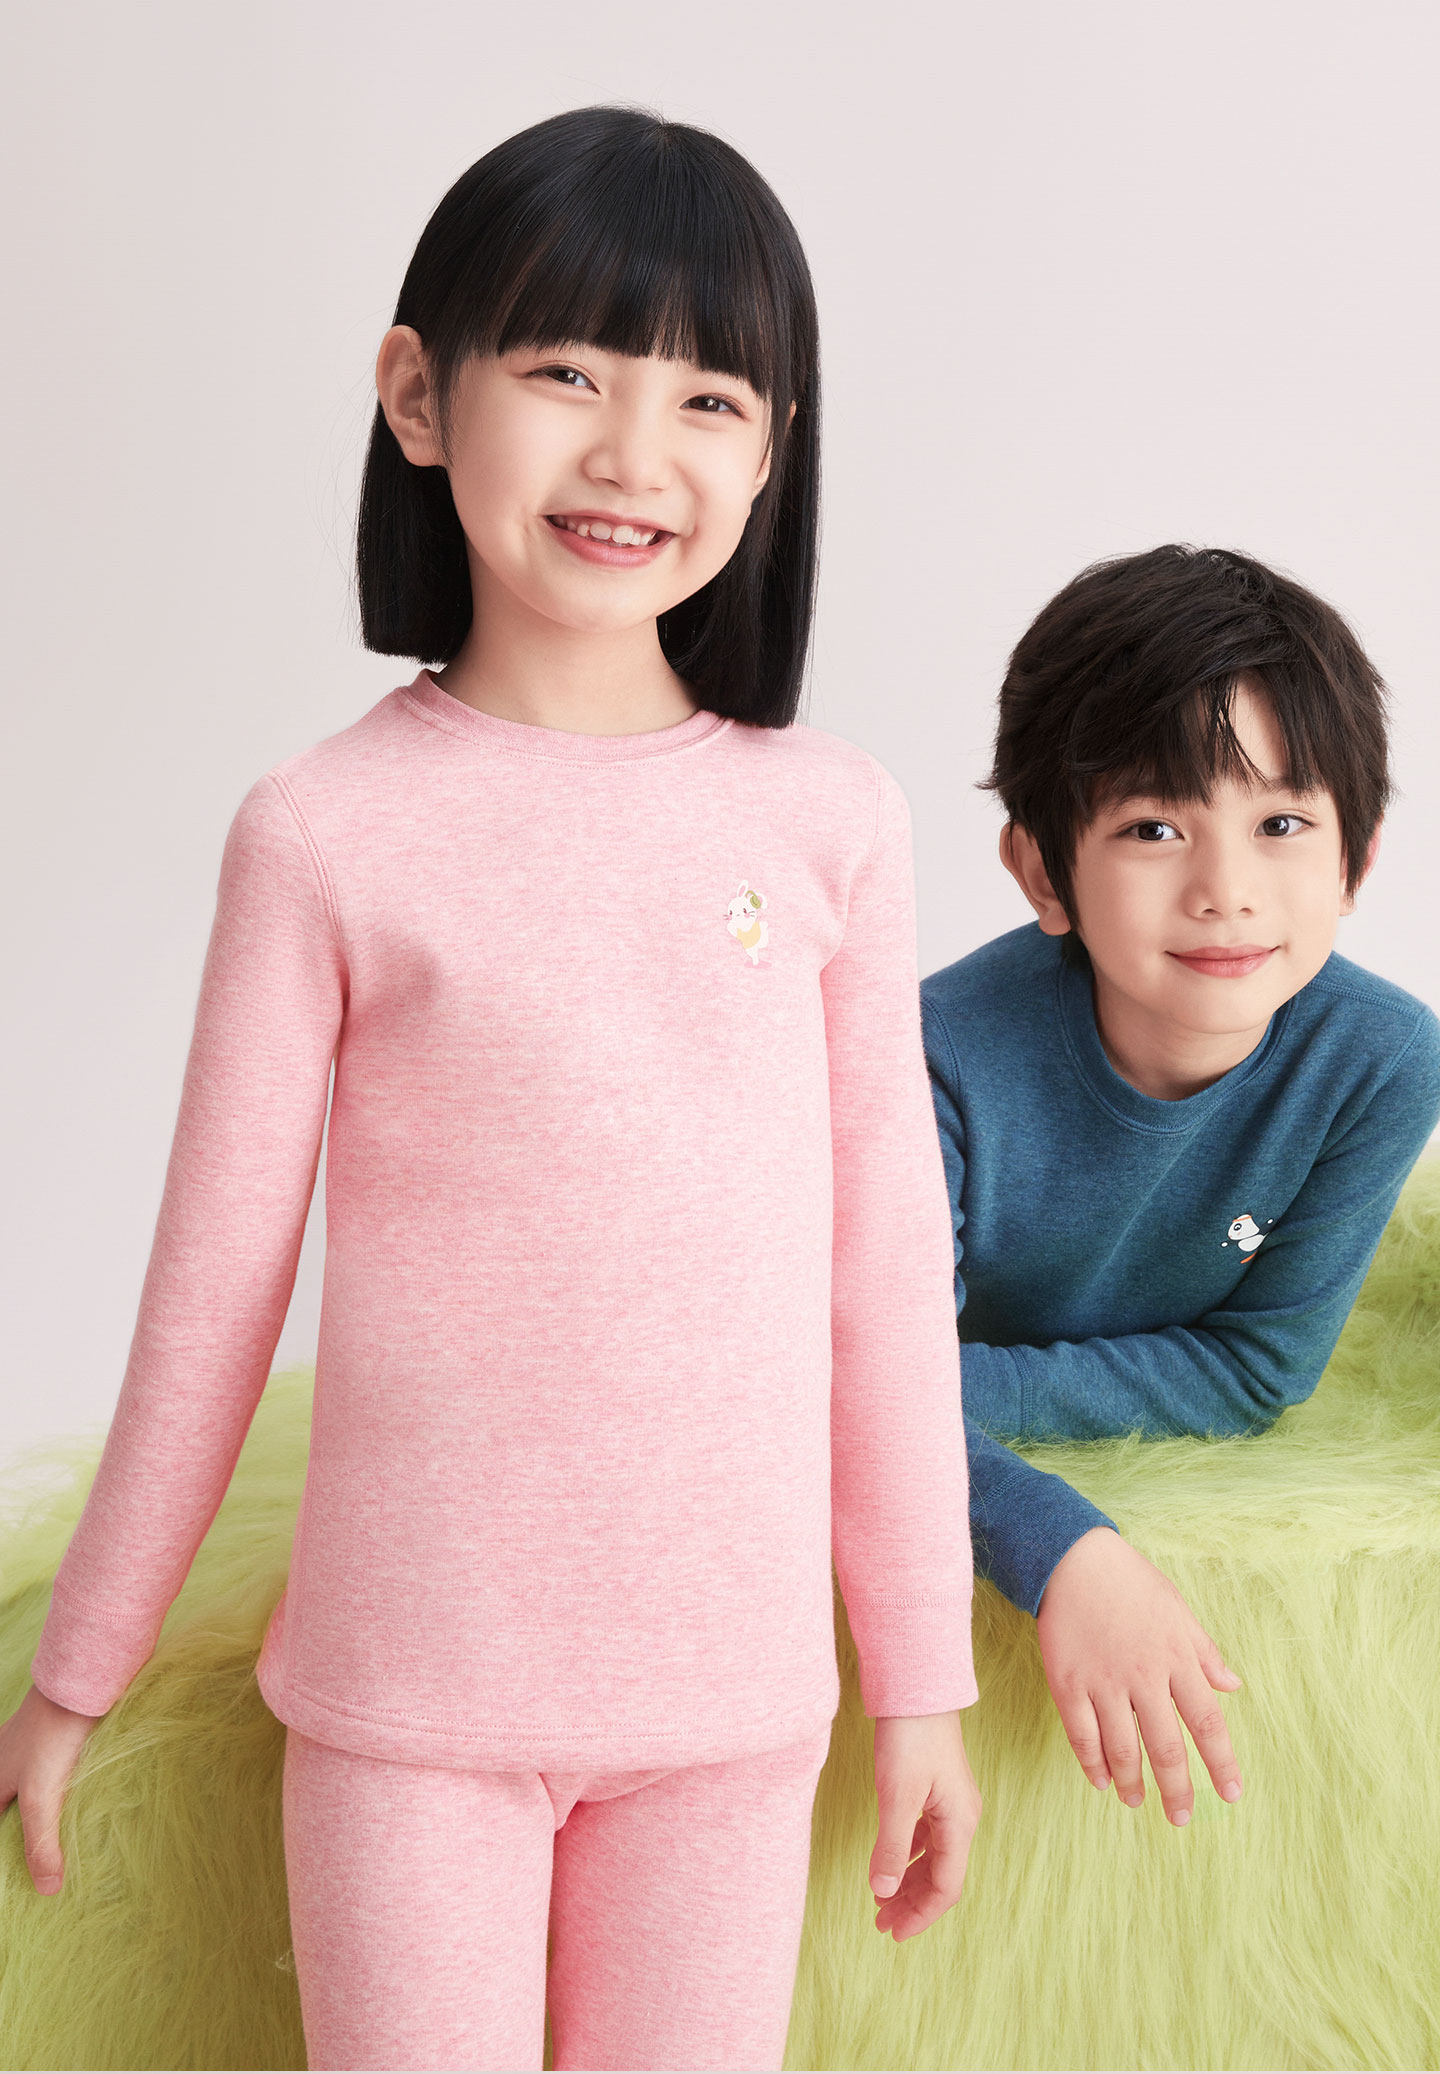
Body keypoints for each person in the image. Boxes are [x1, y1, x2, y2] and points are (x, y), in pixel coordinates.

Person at [0, 107, 981, 2073]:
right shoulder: (324, 831)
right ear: (418, 397)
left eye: (709, 399)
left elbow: (885, 1284)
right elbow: (214, 1289)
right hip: (408, 1701)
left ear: (773, 453)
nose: (633, 451)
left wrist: (921, 1681)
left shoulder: (834, 822)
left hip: (730, 1704)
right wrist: (78, 1662)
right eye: (566, 373)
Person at [921, 544, 1440, 1830]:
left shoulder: (1381, 1061)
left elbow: (1258, 1368)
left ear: (1356, 861)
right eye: (1154, 828)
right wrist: (1065, 1545)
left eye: (1282, 824)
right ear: (1043, 872)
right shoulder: (927, 1059)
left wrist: (939, 1390)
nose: (1226, 891)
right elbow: (835, 1390)